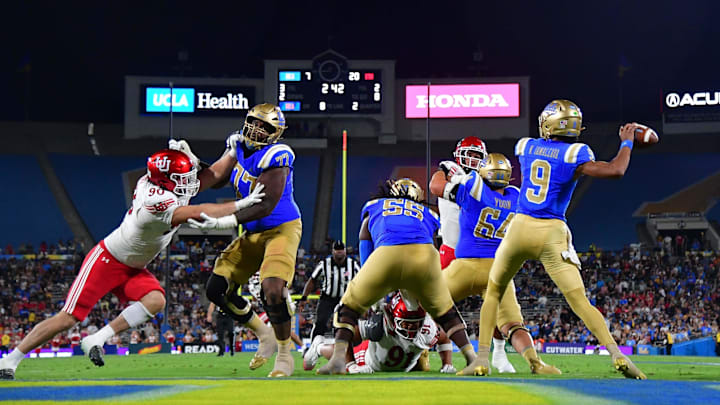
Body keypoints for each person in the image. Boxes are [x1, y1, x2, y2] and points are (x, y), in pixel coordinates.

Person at [0, 148, 264, 380]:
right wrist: (241, 205)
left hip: (134, 267)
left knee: (155, 300)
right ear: (166, 180)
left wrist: (231, 150)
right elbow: (196, 211)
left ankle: (98, 338)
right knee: (68, 318)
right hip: (107, 259)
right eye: (181, 178)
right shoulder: (155, 203)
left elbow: (211, 176)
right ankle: (10, 360)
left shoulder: (167, 185)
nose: (189, 183)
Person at [464, 99, 646, 379]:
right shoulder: (576, 152)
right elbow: (615, 170)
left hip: (520, 227)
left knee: (494, 291)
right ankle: (617, 355)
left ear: (548, 124)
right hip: (551, 232)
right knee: (580, 301)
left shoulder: (526, 146)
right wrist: (627, 143)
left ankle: (482, 359)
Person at [317, 178, 475, 374]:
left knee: (348, 308)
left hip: (388, 253)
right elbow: (435, 244)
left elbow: (365, 238)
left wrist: (369, 284)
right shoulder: (428, 213)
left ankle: (339, 360)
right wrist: (434, 290)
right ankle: (472, 359)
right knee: (446, 313)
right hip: (425, 255)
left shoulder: (376, 205)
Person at [191, 103, 303, 377]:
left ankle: (285, 355)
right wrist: (190, 163)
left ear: (275, 133)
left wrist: (224, 220)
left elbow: (264, 205)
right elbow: (216, 177)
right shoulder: (238, 146)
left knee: (273, 289)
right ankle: (263, 334)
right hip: (252, 231)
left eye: (265, 126)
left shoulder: (278, 154)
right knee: (216, 289)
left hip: (281, 227)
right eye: (254, 122)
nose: (256, 129)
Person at [429, 152, 560, 375]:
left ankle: (440, 356)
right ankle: (535, 362)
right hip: (499, 270)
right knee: (513, 325)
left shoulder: (472, 191)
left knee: (429, 302)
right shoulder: (517, 199)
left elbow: (436, 187)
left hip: (467, 266)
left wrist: (446, 172)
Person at [304, 291, 455, 373]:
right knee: (339, 356)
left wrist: (446, 364)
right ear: (394, 319)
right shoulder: (382, 325)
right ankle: (319, 346)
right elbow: (347, 334)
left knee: (421, 364)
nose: (411, 328)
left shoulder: (427, 329)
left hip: (402, 363)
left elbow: (444, 339)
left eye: (415, 323)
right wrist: (351, 365)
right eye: (406, 324)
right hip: (372, 361)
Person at [300, 240, 360, 348]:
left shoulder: (353, 264)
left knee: (350, 324)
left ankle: (355, 348)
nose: (339, 253)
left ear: (345, 251)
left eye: (341, 250)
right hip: (327, 298)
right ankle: (313, 348)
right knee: (320, 323)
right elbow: (312, 280)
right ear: (333, 251)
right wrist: (304, 297)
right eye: (337, 250)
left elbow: (362, 280)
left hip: (345, 299)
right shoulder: (324, 264)